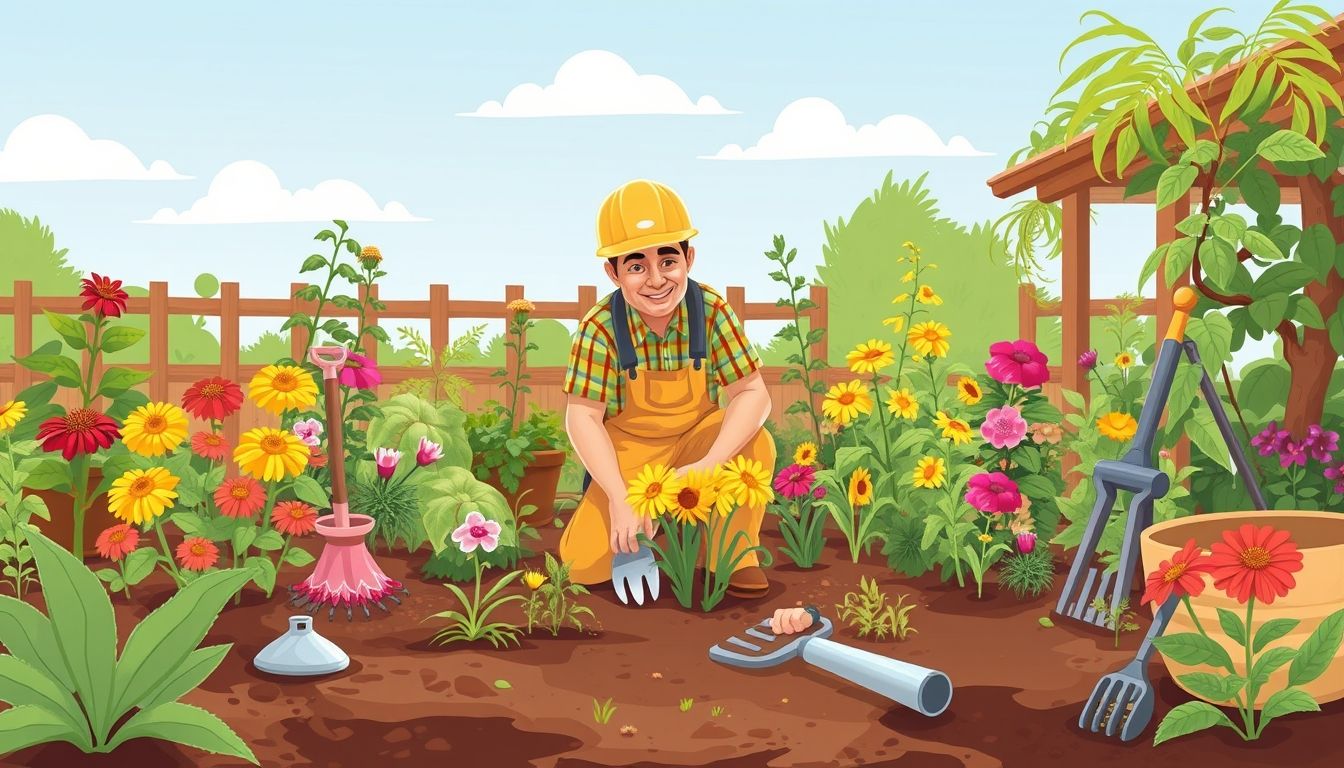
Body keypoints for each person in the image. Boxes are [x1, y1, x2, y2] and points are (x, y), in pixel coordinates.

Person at [560, 179, 775, 599]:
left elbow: (753, 394)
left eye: (668, 261)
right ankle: (662, 530)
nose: (656, 280)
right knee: (580, 566)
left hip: (697, 442)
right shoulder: (600, 327)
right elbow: (582, 417)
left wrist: (709, 463)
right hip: (630, 458)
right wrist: (619, 497)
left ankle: (731, 557)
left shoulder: (710, 311)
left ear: (689, 259)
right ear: (613, 272)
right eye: (637, 266)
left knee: (757, 442)